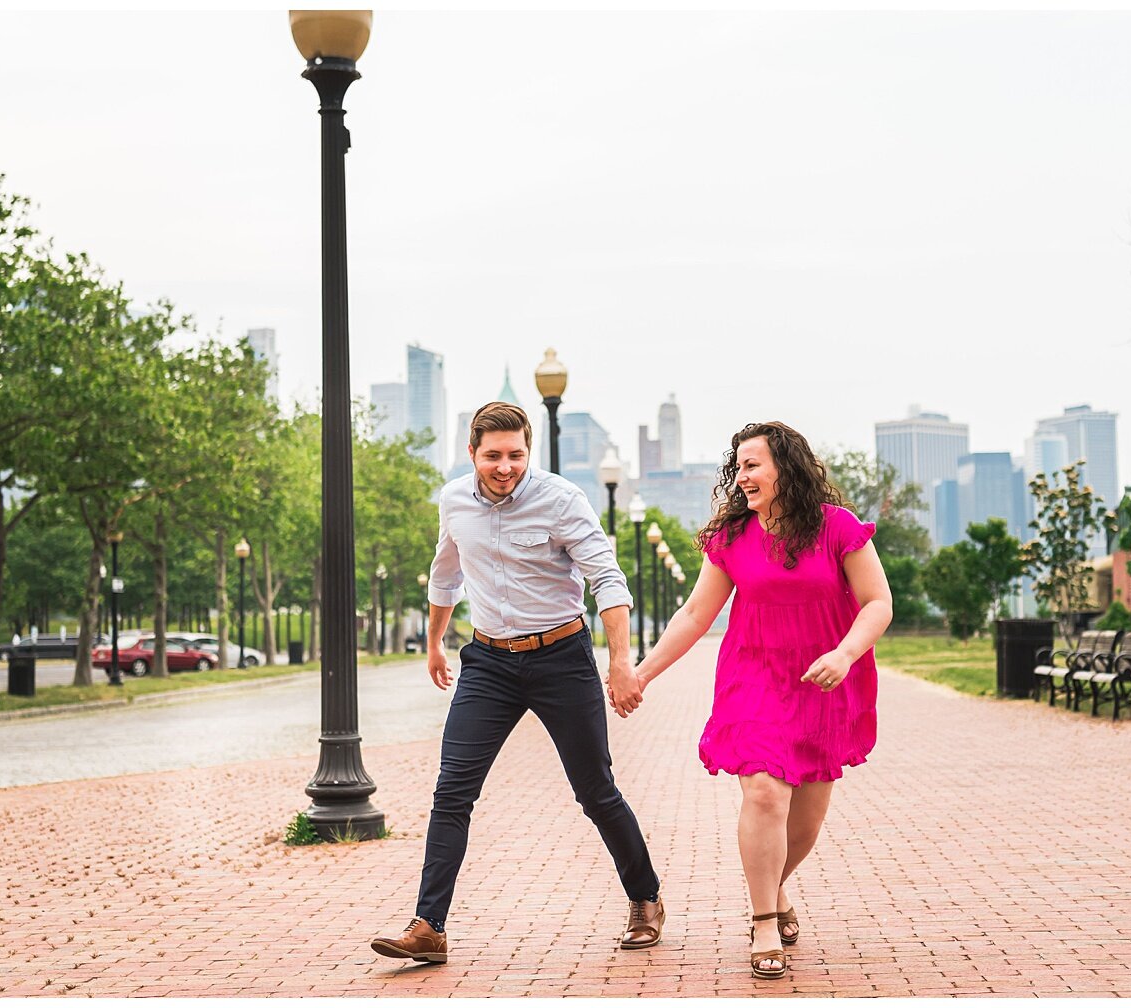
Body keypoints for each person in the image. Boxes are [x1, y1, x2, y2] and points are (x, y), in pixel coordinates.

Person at [370, 402, 664, 964]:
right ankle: (428, 926)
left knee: (594, 790)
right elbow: (445, 571)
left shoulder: (561, 500)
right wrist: (434, 642)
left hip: (562, 659)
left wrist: (621, 662)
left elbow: (606, 577)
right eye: (492, 456)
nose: (505, 467)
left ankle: (645, 898)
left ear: (529, 450)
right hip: (490, 663)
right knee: (452, 790)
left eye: (516, 455)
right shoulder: (454, 499)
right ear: (472, 453)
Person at [631, 420, 892, 979]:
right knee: (765, 792)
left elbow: (877, 603)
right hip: (755, 677)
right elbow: (696, 615)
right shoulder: (732, 538)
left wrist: (844, 654)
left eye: (754, 464)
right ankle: (764, 919)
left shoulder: (836, 528)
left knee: (804, 824)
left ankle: (774, 887)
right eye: (739, 466)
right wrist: (642, 673)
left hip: (824, 680)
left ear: (785, 468)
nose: (743, 475)